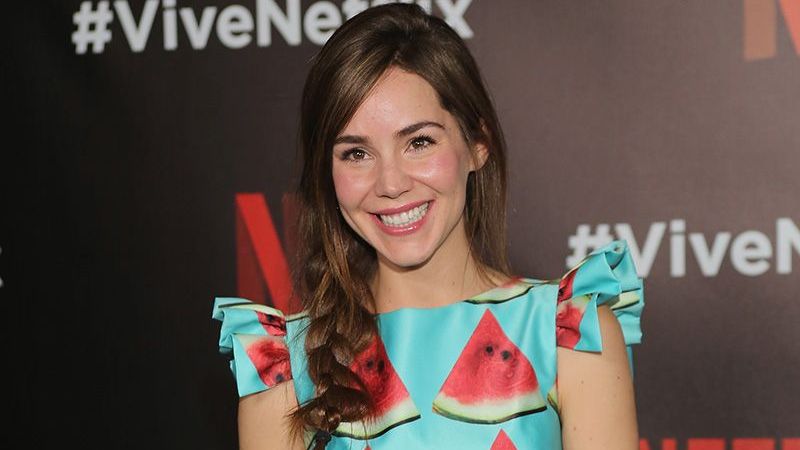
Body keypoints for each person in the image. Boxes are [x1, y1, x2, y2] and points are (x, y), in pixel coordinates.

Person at [212, 4, 645, 449]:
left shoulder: (568, 334)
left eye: (419, 142)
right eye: (356, 153)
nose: (391, 184)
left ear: (477, 144)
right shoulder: (282, 367)